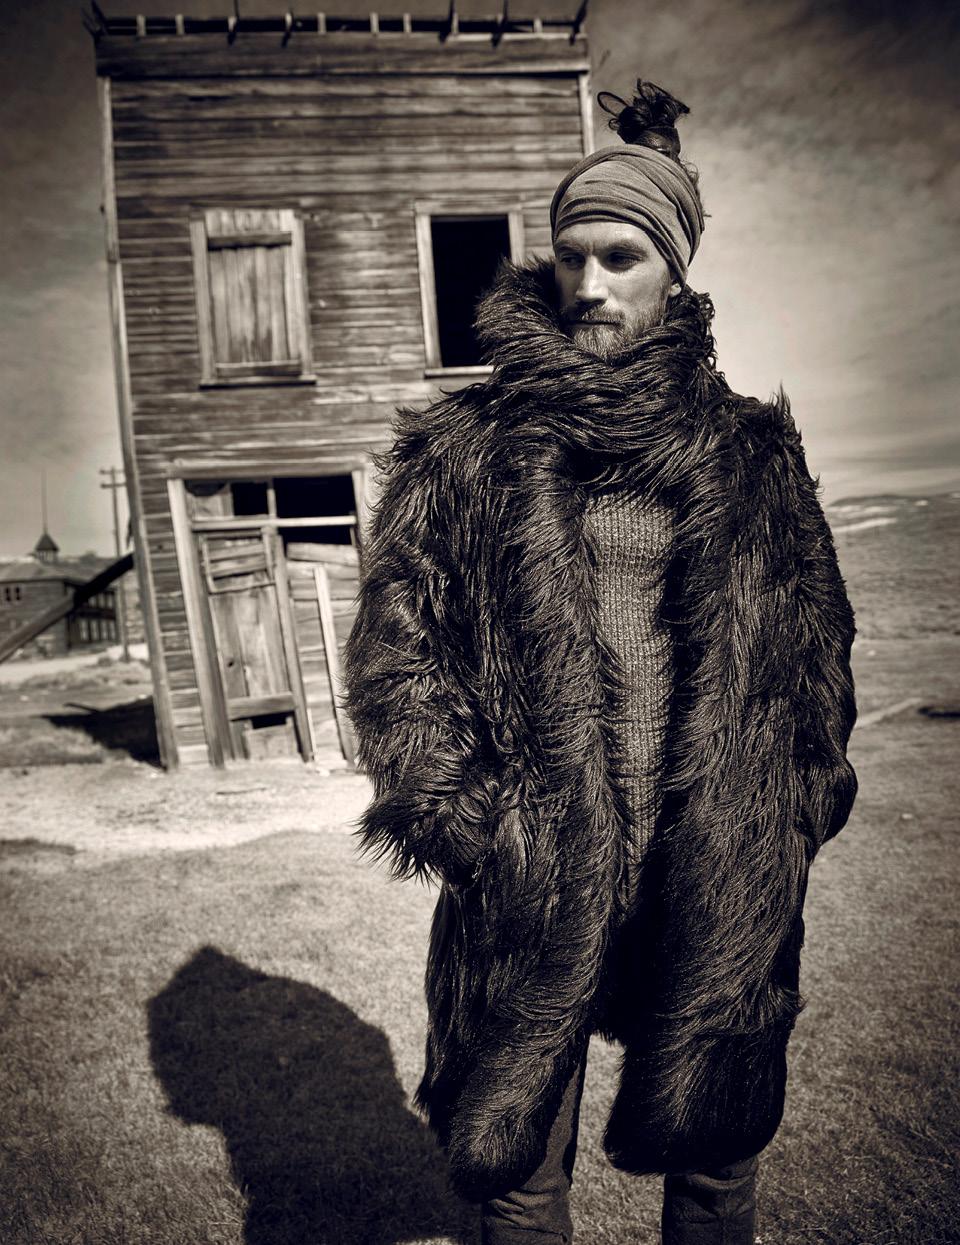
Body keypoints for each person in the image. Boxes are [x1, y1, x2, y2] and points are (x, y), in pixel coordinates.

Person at [343, 80, 858, 1245]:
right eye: (572, 256)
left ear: (675, 272)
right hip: (531, 875)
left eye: (621, 258)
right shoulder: (466, 452)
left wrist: (792, 809)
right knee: (518, 1176)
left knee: (716, 1169)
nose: (589, 284)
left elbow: (817, 658)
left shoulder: (752, 455)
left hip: (711, 872)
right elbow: (399, 656)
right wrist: (471, 827)